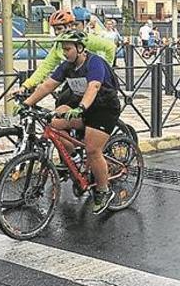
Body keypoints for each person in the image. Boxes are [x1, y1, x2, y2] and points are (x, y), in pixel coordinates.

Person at [21, 30, 121, 214]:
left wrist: (81, 108)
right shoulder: (67, 66)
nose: (64, 52)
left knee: (92, 150)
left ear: (80, 48)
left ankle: (103, 191)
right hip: (82, 107)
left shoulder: (95, 62)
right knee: (54, 123)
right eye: (63, 49)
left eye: (68, 49)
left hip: (104, 108)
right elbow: (48, 85)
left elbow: (94, 86)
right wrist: (27, 103)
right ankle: (73, 158)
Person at [15, 8, 115, 95]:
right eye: (55, 29)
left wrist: (106, 68)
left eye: (59, 28)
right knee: (62, 100)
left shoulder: (85, 39)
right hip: (78, 78)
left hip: (95, 79)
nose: (57, 32)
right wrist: (26, 86)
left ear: (70, 26)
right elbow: (45, 67)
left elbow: (110, 47)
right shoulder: (58, 46)